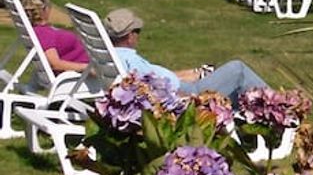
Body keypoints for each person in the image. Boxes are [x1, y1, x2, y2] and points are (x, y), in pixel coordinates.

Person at [104, 8, 267, 104]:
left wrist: (190, 75)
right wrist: (188, 94)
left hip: (180, 87)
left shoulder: (110, 57)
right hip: (185, 96)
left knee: (225, 78)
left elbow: (155, 80)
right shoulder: (131, 62)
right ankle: (279, 106)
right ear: (130, 36)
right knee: (236, 70)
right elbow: (158, 90)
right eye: (137, 32)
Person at [19, 0, 88, 74]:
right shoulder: (43, 33)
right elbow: (54, 64)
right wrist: (87, 68)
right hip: (87, 75)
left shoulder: (39, 30)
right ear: (44, 9)